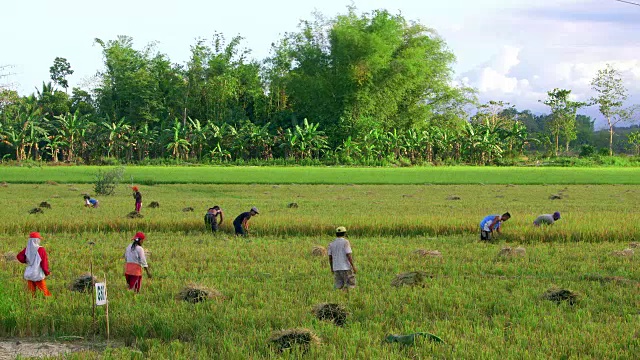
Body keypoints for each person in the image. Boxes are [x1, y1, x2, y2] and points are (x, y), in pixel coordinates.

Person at [16, 232, 52, 297]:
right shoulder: (41, 249)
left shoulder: (27, 249)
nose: (40, 240)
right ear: (36, 240)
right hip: (37, 274)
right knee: (45, 293)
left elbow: (19, 256)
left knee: (31, 293)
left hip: (29, 273)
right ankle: (47, 302)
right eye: (39, 239)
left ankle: (31, 303)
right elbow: (44, 263)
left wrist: (26, 261)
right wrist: (47, 272)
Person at [328, 226, 357, 291]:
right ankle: (347, 299)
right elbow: (348, 255)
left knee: (339, 286)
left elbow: (330, 258)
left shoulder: (331, 244)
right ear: (344, 233)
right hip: (345, 267)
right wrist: (353, 266)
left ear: (336, 234)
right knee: (350, 285)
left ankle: (340, 298)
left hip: (336, 268)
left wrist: (332, 268)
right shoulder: (345, 242)